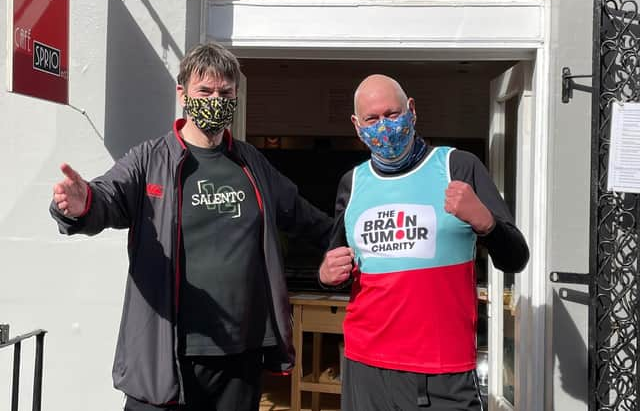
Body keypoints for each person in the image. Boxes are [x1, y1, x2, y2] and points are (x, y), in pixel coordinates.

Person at [50, 41, 333, 411]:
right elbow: (106, 198)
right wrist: (80, 205)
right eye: (205, 90)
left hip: (239, 354)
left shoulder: (251, 164)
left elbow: (305, 217)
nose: (216, 99)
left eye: (225, 92)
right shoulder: (150, 160)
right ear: (182, 93)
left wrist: (352, 239)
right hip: (167, 354)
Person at [319, 74, 529, 410]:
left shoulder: (457, 166)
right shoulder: (352, 182)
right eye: (372, 119)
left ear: (411, 111)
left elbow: (516, 258)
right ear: (357, 126)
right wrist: (325, 275)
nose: (384, 127)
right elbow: (337, 265)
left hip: (441, 371)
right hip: (366, 365)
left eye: (392, 114)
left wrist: (486, 222)